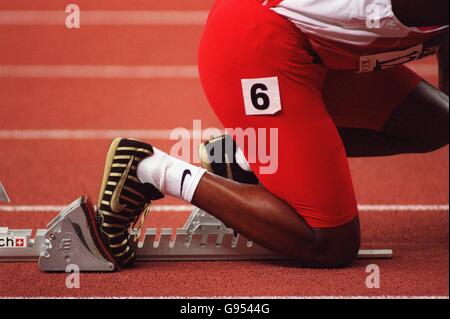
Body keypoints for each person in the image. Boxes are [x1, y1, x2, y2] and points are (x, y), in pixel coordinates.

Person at [85, 0, 449, 270]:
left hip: (317, 50)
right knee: (331, 242)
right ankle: (149, 170)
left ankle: (246, 158)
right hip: (256, 43)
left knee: (437, 122)